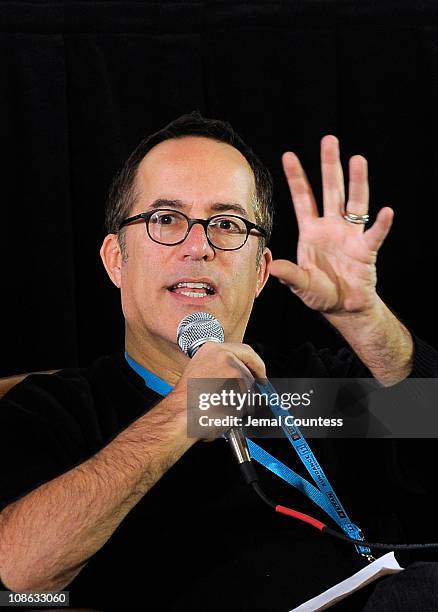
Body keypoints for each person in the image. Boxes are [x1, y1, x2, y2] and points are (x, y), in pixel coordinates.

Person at [0, 111, 437, 611]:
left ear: (260, 272)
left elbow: (431, 419)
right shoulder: (55, 410)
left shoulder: (317, 388)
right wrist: (183, 413)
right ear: (115, 259)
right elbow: (17, 572)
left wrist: (365, 319)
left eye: (227, 224)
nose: (199, 245)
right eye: (165, 219)